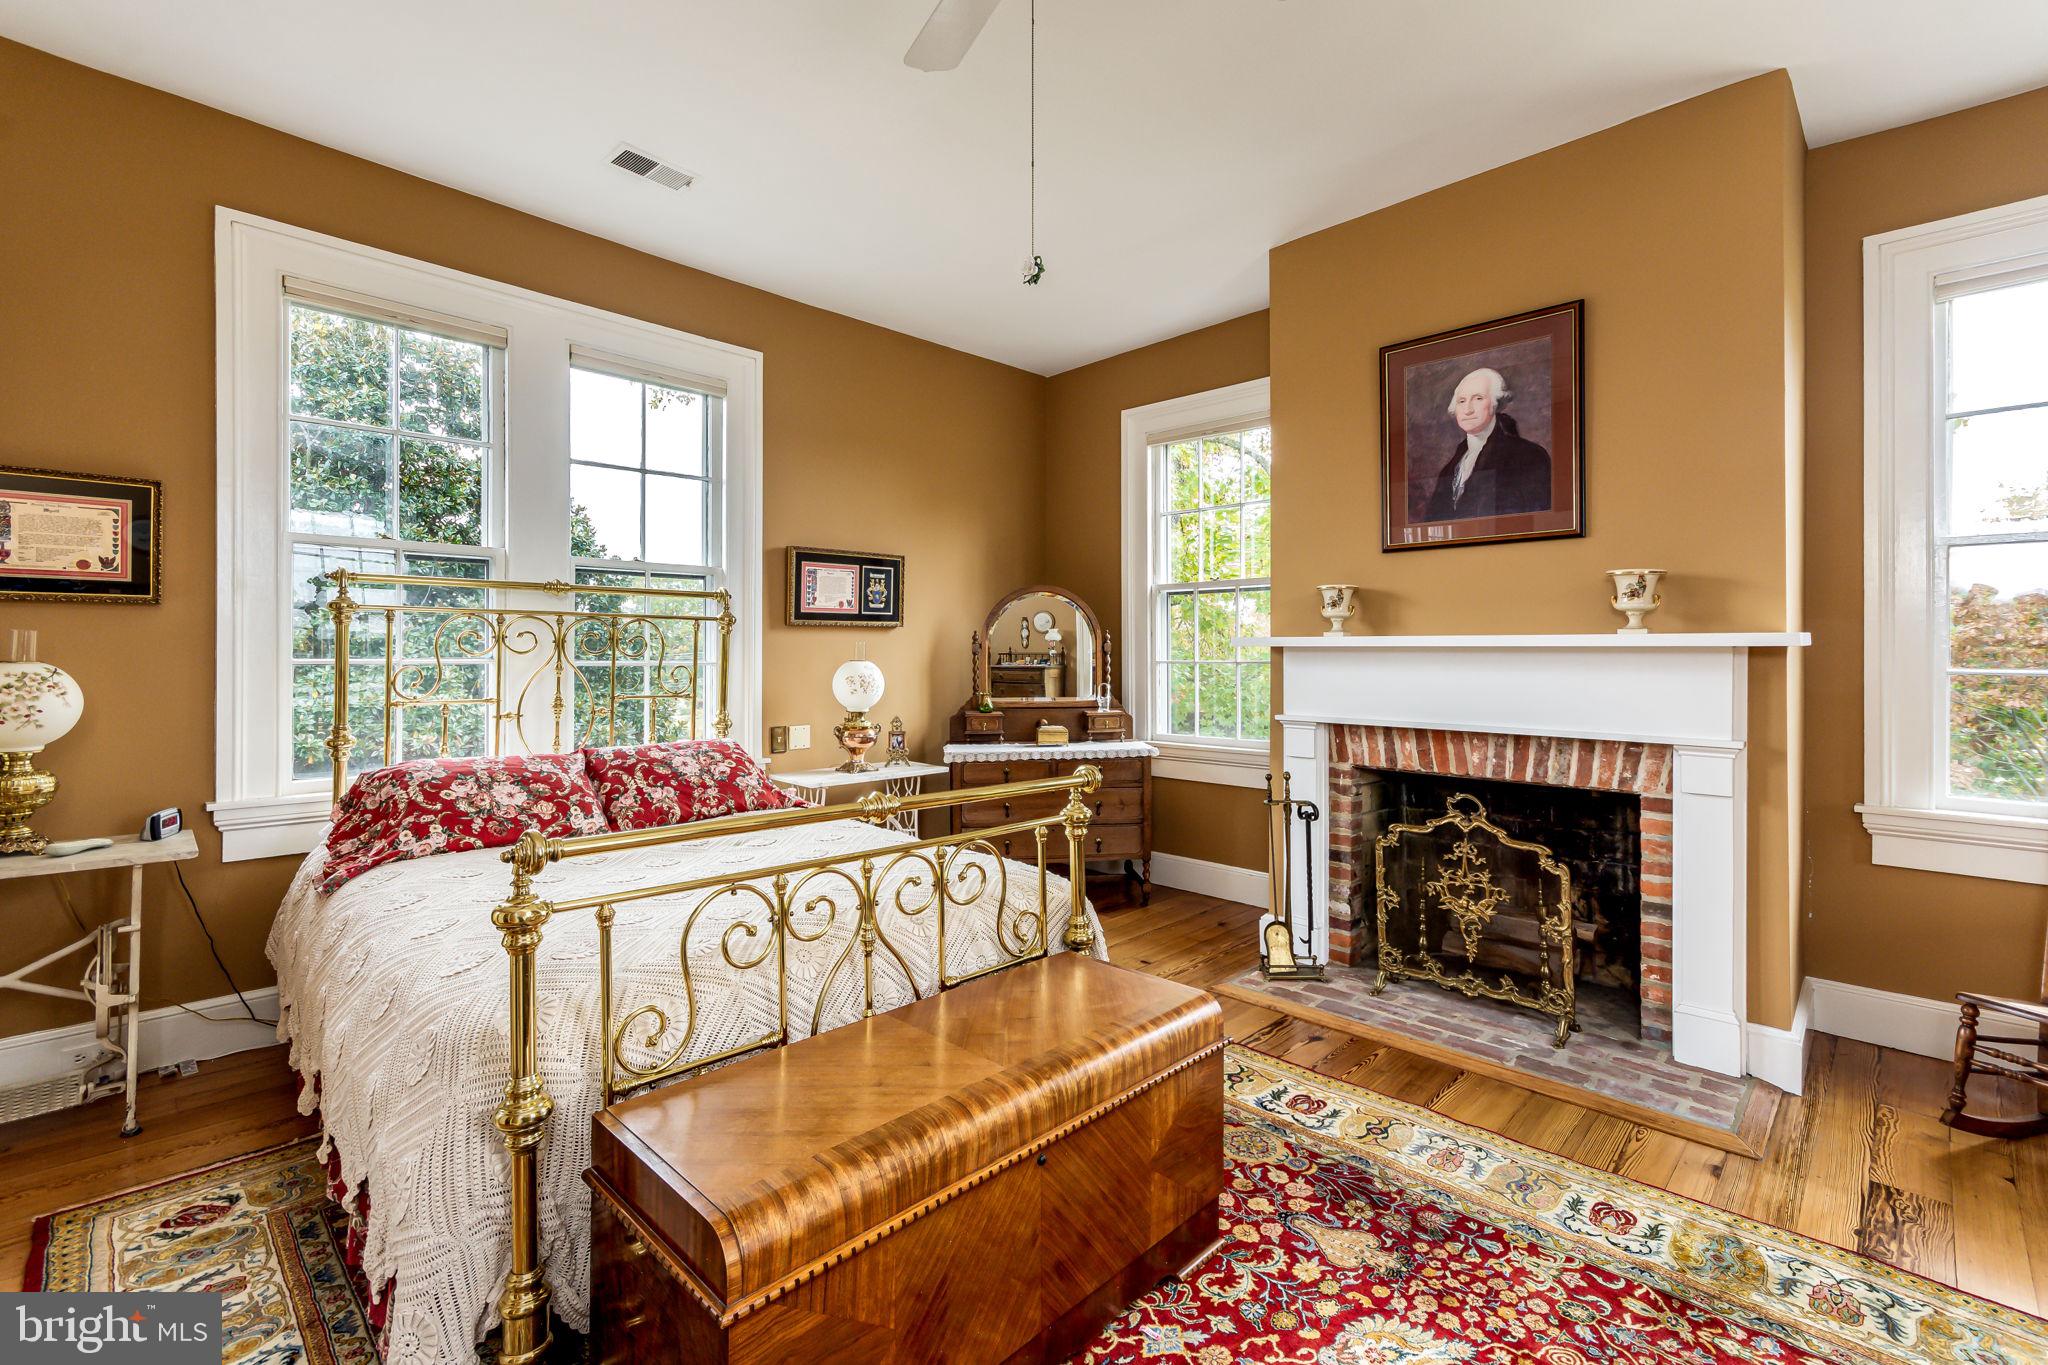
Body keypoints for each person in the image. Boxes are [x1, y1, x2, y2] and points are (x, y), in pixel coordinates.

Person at [1416, 366, 1551, 521]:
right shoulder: (1449, 469)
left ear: (1495, 403)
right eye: (1461, 401)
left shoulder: (1528, 456)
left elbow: (1538, 520)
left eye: (1478, 398)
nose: (1467, 410)